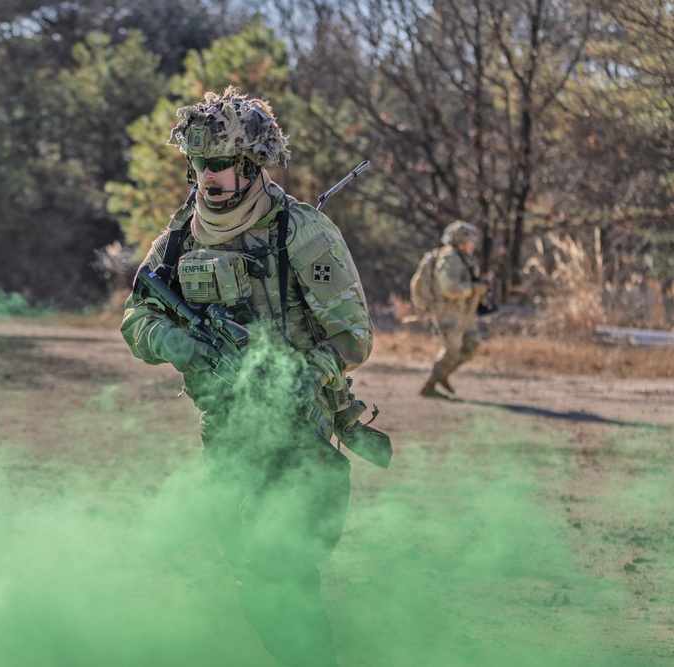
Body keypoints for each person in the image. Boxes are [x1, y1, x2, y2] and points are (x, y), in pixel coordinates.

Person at [120, 86, 383, 667]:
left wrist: (302, 371)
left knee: (279, 567)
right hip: (227, 431)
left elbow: (354, 338)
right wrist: (178, 342)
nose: (205, 178)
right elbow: (136, 317)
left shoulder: (301, 233)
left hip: (296, 428)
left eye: (217, 165)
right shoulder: (182, 237)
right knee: (247, 571)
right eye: (197, 165)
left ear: (249, 164)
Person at [418, 220, 489, 398]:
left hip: (462, 312)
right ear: (460, 242)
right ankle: (430, 385)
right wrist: (473, 288)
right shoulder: (449, 259)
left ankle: (442, 375)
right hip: (448, 312)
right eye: (470, 241)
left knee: (473, 344)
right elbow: (449, 288)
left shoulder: (461, 258)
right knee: (452, 349)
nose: (473, 246)